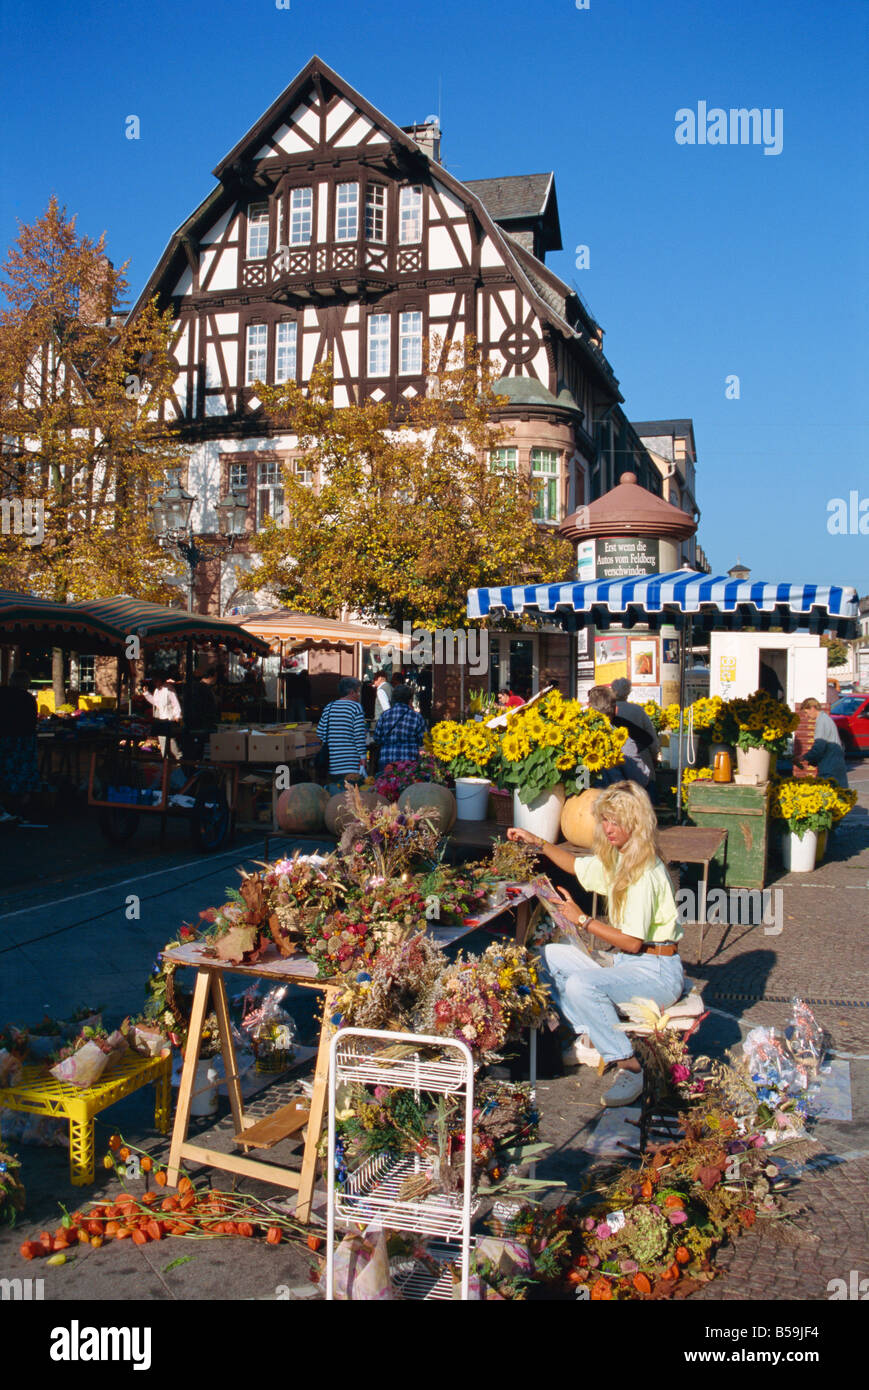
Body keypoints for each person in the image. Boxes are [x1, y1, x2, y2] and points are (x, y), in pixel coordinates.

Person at [507, 781, 683, 1106]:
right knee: (547, 956)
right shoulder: (623, 859)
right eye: (605, 820)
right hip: (633, 964)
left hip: (657, 971)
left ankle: (628, 1066)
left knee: (580, 986)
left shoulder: (644, 871)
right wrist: (539, 843)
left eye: (617, 821)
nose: (608, 828)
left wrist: (582, 920)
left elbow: (631, 943)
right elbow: (576, 866)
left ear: (636, 822)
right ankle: (592, 1039)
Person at [587, 686, 651, 789]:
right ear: (616, 710)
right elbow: (641, 779)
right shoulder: (622, 740)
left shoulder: (577, 735)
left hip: (577, 800)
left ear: (588, 706)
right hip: (612, 800)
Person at [0, 669, 40, 823]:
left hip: (5, 738)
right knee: (23, 772)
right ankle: (21, 806)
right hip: (23, 740)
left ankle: (7, 804)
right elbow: (32, 721)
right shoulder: (28, 699)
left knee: (5, 770)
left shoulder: (3, 694)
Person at [317, 676, 368, 790]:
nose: (358, 695)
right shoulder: (356, 707)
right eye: (358, 692)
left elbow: (320, 733)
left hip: (333, 764)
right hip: (351, 764)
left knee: (336, 795)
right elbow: (359, 736)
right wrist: (363, 758)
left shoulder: (329, 708)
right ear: (351, 692)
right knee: (351, 799)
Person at [610, 677, 659, 777]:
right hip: (640, 762)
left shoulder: (608, 710)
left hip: (615, 763)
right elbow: (652, 737)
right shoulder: (638, 710)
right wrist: (655, 755)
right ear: (628, 692)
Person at [795, 697, 849, 787]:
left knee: (825, 793)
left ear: (812, 708)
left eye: (806, 712)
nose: (806, 716)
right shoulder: (826, 718)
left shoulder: (821, 721)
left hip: (829, 765)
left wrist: (804, 757)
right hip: (836, 761)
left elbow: (819, 746)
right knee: (839, 792)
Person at [373, 685, 426, 771]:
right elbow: (422, 740)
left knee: (385, 783)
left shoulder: (384, 715)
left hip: (386, 761)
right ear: (410, 700)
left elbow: (377, 738)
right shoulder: (416, 717)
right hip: (409, 762)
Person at [142, 673, 183, 759]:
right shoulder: (157, 691)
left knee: (171, 742)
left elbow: (175, 703)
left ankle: (179, 758)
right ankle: (165, 759)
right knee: (163, 741)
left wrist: (177, 715)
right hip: (161, 719)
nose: (154, 683)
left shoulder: (169, 689)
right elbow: (156, 703)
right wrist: (146, 694)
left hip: (169, 719)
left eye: (156, 680)